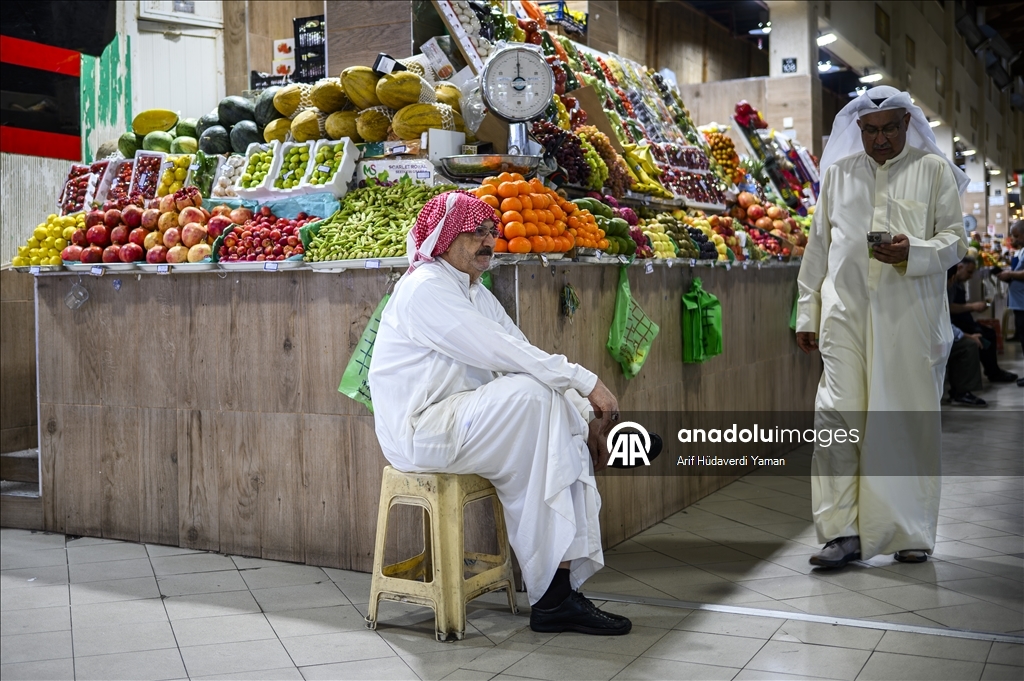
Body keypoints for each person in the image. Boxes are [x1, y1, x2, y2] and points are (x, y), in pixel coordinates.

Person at [368, 190, 631, 636]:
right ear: (445, 236)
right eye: (476, 233)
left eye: (492, 231)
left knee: (552, 427)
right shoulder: (424, 288)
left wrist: (578, 410)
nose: (489, 240)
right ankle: (554, 595)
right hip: (422, 431)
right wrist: (585, 386)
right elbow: (500, 350)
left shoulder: (474, 292)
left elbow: (521, 352)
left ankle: (557, 596)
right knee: (534, 398)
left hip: (462, 422)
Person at [796, 86, 968, 568]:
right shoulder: (837, 176)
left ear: (907, 125)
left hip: (908, 321)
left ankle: (908, 531)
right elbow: (817, 252)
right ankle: (841, 533)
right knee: (837, 420)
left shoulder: (933, 172)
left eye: (889, 128)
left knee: (903, 423)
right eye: (870, 131)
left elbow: (956, 242)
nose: (880, 139)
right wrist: (806, 313)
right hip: (843, 318)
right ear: (858, 132)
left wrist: (914, 251)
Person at [948, 255, 1018, 384]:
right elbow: (948, 308)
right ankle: (968, 386)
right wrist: (972, 307)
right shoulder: (949, 284)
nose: (970, 276)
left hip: (963, 320)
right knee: (981, 337)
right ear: (959, 267)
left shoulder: (960, 284)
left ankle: (993, 371)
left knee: (989, 333)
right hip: (954, 323)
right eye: (969, 272)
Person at [997, 220, 1024, 387]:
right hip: (1019, 302)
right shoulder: (1020, 251)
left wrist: (1011, 275)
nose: (1014, 239)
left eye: (1016, 236)